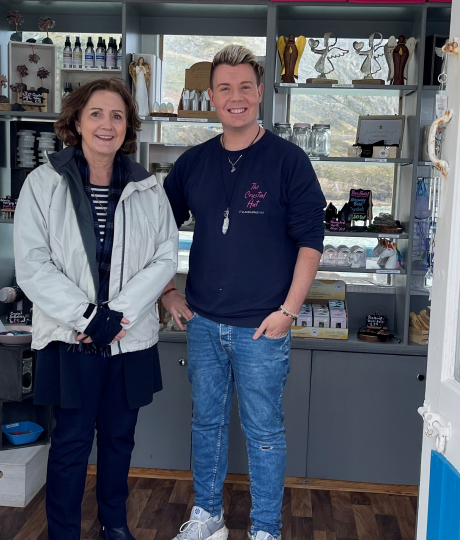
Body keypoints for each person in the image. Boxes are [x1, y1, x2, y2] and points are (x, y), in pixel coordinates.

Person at [162, 46, 326, 540]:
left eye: (245, 87)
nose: (236, 97)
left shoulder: (289, 161)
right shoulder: (193, 163)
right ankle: (208, 517)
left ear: (259, 93)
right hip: (203, 322)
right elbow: (156, 232)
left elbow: (311, 243)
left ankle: (266, 530)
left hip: (262, 327)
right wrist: (168, 291)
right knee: (205, 424)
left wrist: (288, 312)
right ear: (211, 97)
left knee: (264, 433)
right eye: (225, 88)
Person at [14, 78, 178, 540]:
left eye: (117, 116)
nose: (107, 124)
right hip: (72, 338)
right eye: (97, 114)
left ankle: (114, 524)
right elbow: (32, 264)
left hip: (129, 338)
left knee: (120, 439)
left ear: (128, 127)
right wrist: (89, 317)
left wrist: (116, 315)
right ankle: (64, 532)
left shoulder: (148, 187)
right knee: (70, 442)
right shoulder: (44, 183)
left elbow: (165, 256)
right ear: (77, 122)